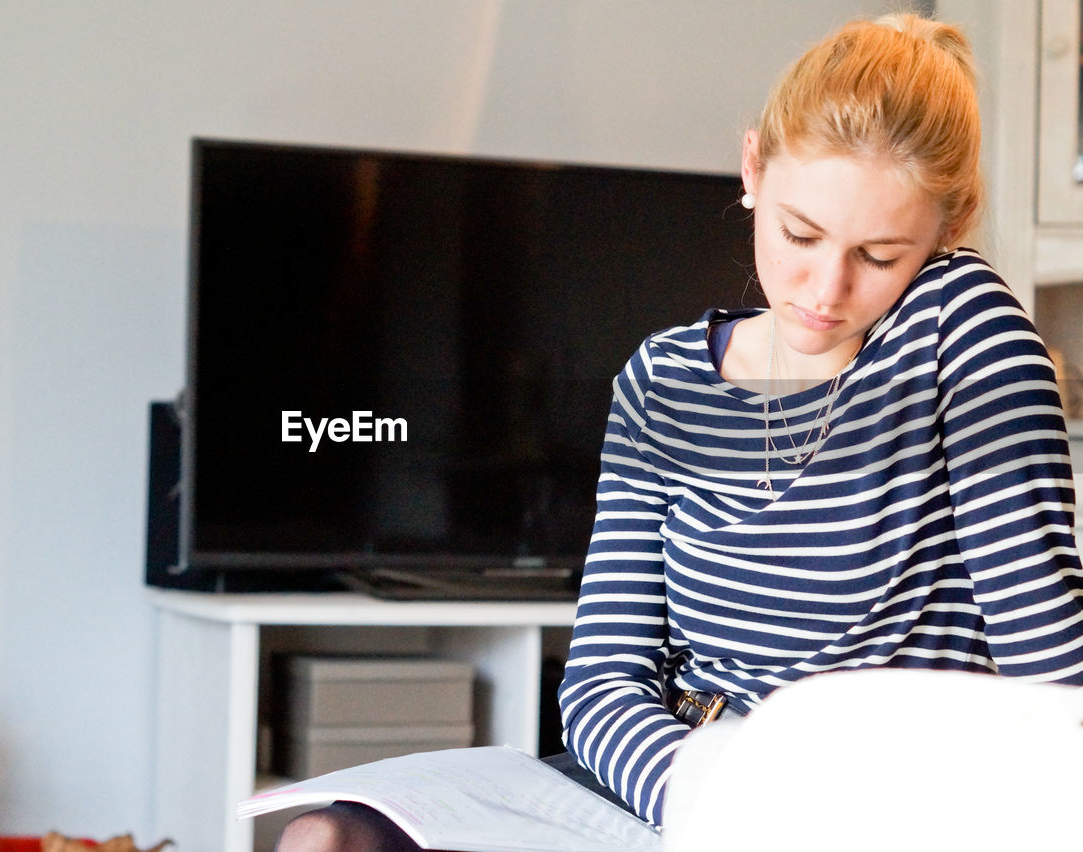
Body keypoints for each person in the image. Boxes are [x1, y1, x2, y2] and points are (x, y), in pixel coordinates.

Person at [275, 11, 1083, 850]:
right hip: (689, 786)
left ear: (947, 236)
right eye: (799, 233)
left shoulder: (965, 331)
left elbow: (1053, 676)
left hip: (876, 808)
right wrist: (709, 796)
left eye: (879, 256)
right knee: (328, 839)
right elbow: (600, 685)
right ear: (751, 170)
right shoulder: (664, 379)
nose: (825, 286)